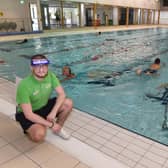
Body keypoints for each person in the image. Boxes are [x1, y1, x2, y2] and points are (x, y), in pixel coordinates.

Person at [15, 54, 73, 142]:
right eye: (37, 66)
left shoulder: (51, 76)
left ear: (47, 67)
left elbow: (62, 94)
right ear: (31, 68)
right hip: (27, 113)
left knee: (68, 103)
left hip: (43, 106)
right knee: (39, 135)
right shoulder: (24, 85)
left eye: (44, 66)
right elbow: (29, 114)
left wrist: (53, 112)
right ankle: (33, 128)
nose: (41, 69)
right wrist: (51, 125)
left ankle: (58, 129)